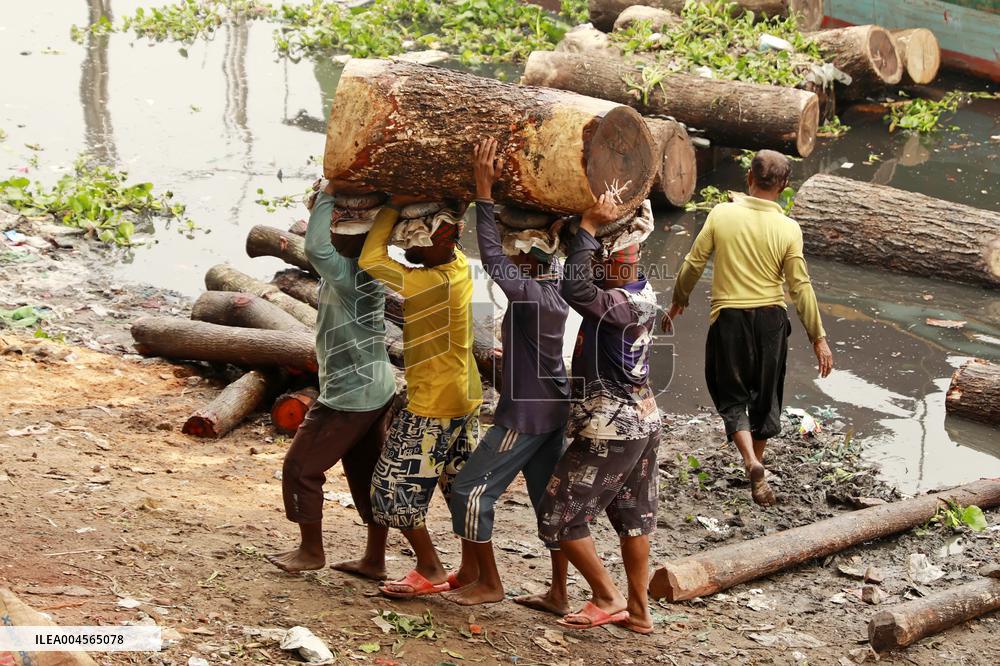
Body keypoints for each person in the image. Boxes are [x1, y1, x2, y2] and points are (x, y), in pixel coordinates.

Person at [663, 149, 834, 507]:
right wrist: (818, 337)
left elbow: (694, 262)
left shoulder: (722, 214)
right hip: (772, 320)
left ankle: (750, 462)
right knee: (766, 394)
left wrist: (679, 300)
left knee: (731, 393)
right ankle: (759, 467)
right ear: (785, 186)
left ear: (750, 179)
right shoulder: (788, 228)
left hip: (730, 319)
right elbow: (800, 287)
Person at [444, 138, 571, 610]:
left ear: (524, 259)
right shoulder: (554, 287)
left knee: (470, 492)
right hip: (552, 410)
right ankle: (559, 593)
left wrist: (483, 190)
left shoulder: (532, 294)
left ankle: (490, 583)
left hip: (524, 416)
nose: (508, 258)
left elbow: (492, 259)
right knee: (547, 505)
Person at [537, 194, 661, 635]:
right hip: (643, 421)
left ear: (613, 264)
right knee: (632, 517)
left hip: (614, 427)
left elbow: (575, 289)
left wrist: (588, 228)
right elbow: (583, 283)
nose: (591, 267)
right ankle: (640, 612)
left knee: (560, 513)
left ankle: (606, 597)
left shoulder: (618, 307)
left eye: (599, 262)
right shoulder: (642, 292)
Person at [267, 180, 397, 579]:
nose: (333, 238)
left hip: (350, 395)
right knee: (366, 473)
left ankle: (311, 551)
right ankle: (374, 560)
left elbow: (314, 248)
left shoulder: (351, 276)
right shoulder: (363, 272)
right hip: (374, 388)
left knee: (300, 468)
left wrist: (328, 191)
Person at [359, 191, 484, 598]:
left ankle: (429, 566)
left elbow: (370, 259)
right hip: (465, 397)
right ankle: (472, 570)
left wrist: (393, 205)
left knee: (391, 489)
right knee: (458, 486)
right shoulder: (461, 267)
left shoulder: (429, 284)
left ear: (445, 243)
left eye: (423, 242)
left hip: (433, 402)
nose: (414, 249)